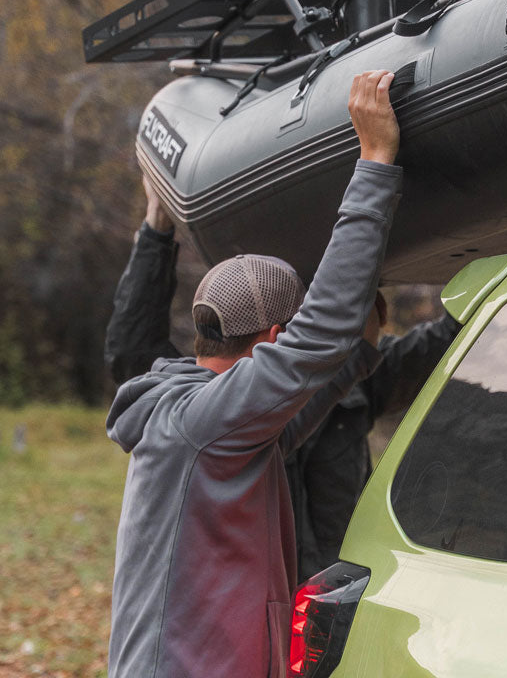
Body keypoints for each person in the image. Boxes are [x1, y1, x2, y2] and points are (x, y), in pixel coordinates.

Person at [106, 70, 419, 678]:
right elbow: (320, 335)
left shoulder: (214, 426)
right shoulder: (200, 422)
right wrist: (375, 160)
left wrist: (355, 353)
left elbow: (299, 410)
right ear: (274, 339)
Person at [106, 123, 459, 584]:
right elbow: (132, 353)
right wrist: (158, 225)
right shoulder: (205, 420)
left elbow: (425, 351)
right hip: (260, 610)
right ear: (277, 336)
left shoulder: (346, 381)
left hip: (330, 601)